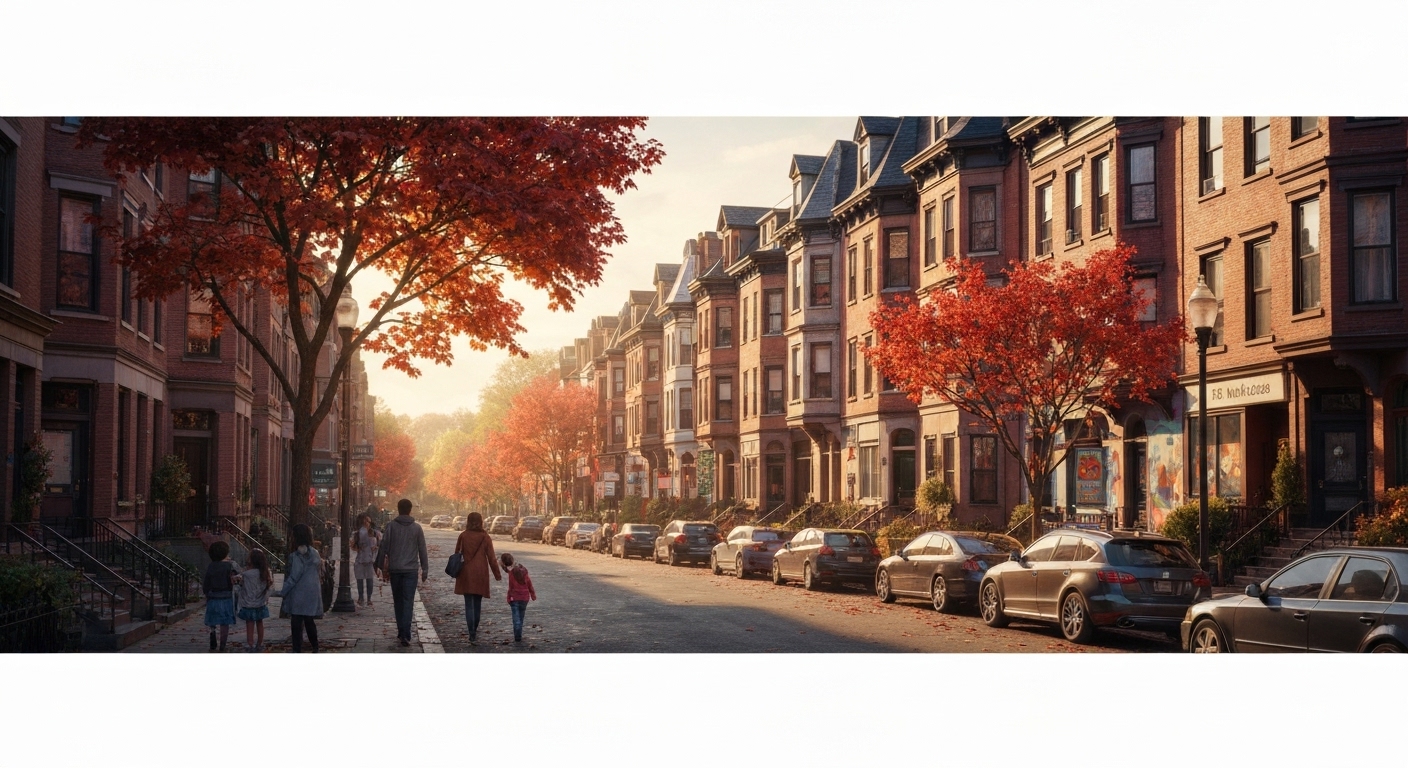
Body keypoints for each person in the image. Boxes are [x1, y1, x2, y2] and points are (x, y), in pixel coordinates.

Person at [376, 498, 428, 647]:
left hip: (396, 569)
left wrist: (379, 564)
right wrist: (425, 569)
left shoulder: (391, 526)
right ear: (410, 510)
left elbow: (384, 546)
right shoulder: (417, 528)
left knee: (398, 601)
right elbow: (422, 549)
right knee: (408, 602)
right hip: (411, 570)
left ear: (398, 509)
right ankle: (406, 633)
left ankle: (401, 631)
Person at [453, 512, 501, 645]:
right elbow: (491, 557)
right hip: (480, 573)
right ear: (481, 522)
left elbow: (456, 553)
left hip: (466, 573)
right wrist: (497, 574)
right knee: (477, 604)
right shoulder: (485, 537)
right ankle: (475, 629)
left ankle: (471, 633)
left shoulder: (463, 536)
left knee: (469, 604)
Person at [274, 524, 324, 653]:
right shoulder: (315, 553)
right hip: (313, 592)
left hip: (299, 594)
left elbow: (293, 577)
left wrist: (281, 592)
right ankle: (315, 647)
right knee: (309, 621)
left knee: (296, 622)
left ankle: (297, 649)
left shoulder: (295, 556)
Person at [203, 540, 239, 652]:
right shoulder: (229, 566)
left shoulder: (211, 566)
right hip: (226, 596)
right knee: (224, 623)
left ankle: (212, 632)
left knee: (212, 619)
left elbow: (206, 582)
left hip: (213, 596)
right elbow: (235, 576)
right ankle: (223, 644)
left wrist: (206, 593)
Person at [237, 549, 273, 653]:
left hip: (248, 603)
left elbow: (242, 585)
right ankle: (260, 642)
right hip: (260, 603)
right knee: (260, 622)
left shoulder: (246, 574)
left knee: (249, 623)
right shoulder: (265, 573)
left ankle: (250, 643)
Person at [500, 552, 536, 643]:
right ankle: (519, 634)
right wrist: (533, 594)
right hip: (524, 598)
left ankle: (517, 637)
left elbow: (507, 569)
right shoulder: (524, 572)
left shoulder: (511, 573)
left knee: (516, 619)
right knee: (521, 617)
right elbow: (529, 584)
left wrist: (501, 564)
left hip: (514, 598)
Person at [351, 512, 380, 607]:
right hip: (361, 558)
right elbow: (353, 546)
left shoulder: (373, 532)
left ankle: (367, 598)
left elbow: (376, 545)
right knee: (361, 579)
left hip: (368, 559)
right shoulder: (358, 533)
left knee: (369, 579)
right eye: (367, 521)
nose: (368, 523)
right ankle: (362, 598)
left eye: (369, 521)